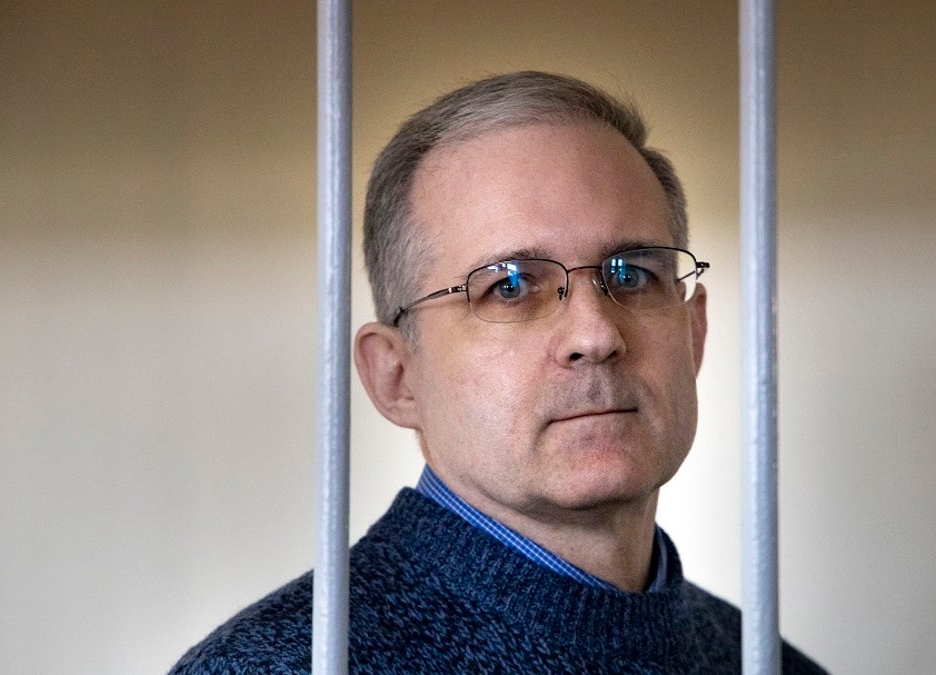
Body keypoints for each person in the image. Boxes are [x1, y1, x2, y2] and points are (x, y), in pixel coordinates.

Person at [172, 71, 825, 674]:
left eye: (632, 272)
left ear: (694, 330)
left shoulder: (769, 664)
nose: (595, 334)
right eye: (510, 286)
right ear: (395, 375)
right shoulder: (282, 665)